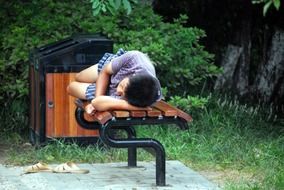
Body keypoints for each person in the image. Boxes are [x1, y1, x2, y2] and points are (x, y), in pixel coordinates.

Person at [67, 49, 162, 114]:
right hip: (110, 71)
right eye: (123, 87)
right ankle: (92, 91)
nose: (119, 91)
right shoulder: (134, 59)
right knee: (79, 77)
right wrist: (97, 97)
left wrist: (129, 106)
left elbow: (97, 102)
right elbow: (105, 71)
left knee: (71, 87)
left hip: (110, 92)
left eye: (123, 95)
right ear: (132, 75)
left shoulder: (143, 97)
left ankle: (89, 96)